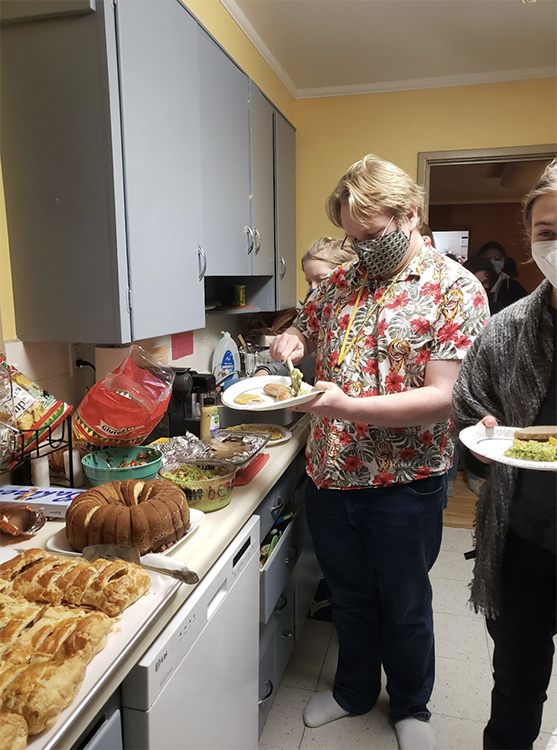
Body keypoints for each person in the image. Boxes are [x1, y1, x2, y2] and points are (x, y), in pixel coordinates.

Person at [269, 153, 489, 750]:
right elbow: (306, 325)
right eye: (350, 236)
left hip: (404, 481)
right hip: (330, 474)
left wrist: (345, 407)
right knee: (348, 595)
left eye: (371, 235)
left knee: (406, 601)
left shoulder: (454, 289)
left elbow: (444, 398)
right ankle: (352, 692)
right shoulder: (341, 281)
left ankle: (412, 706)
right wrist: (293, 336)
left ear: (409, 214)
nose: (360, 249)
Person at [453, 161, 557, 750]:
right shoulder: (506, 330)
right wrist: (484, 441)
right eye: (546, 232)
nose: (556, 243)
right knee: (516, 688)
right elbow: (469, 413)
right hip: (523, 539)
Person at [254, 237, 356, 383]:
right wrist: (268, 370)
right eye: (309, 282)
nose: (314, 288)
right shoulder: (315, 315)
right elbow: (296, 359)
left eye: (321, 280)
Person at [477, 240, 528, 313]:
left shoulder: (513, 288)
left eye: (497, 258)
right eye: (487, 258)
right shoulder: (471, 284)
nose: (492, 261)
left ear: (504, 262)